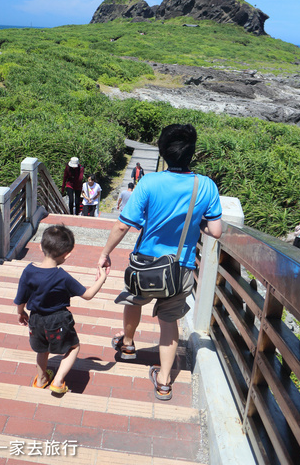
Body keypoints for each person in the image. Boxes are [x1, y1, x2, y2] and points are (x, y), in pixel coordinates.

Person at [98, 123, 222, 401]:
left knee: (133, 301)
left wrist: (105, 253)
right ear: (192, 153)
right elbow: (215, 231)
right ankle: (164, 381)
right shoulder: (206, 186)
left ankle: (128, 345)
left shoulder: (149, 182)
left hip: (144, 264)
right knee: (169, 322)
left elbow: (122, 226)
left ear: (164, 153)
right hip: (181, 267)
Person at [14, 224, 107, 394]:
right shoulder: (61, 276)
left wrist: (21, 313)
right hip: (58, 320)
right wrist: (102, 278)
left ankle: (41, 379)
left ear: (41, 246)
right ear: (67, 255)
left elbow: (21, 299)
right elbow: (87, 295)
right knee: (73, 347)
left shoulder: (28, 271)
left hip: (35, 319)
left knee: (42, 349)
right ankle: (57, 381)